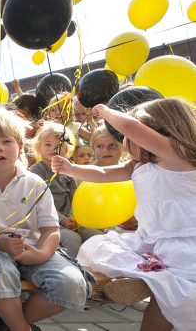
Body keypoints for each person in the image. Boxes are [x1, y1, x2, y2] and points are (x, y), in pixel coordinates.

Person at [52, 98, 196, 331]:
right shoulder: (138, 166)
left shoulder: (178, 156)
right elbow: (102, 172)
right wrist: (72, 169)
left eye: (128, 138)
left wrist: (106, 112)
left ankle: (149, 280)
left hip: (185, 243)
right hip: (151, 240)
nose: (126, 141)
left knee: (173, 297)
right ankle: (147, 279)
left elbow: (132, 127)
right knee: (160, 295)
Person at [0, 107, 91, 331]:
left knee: (71, 284)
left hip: (33, 247)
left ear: (20, 146)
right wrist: (0, 242)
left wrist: (42, 253)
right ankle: (22, 328)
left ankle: (7, 324)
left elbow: (50, 229)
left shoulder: (34, 183)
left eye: (7, 141)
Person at [29, 122, 102, 258]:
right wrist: (62, 219)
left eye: (59, 145)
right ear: (39, 147)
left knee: (98, 236)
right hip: (47, 221)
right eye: (48, 144)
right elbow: (39, 203)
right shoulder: (37, 171)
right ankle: (70, 267)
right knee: (72, 239)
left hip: (71, 218)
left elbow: (75, 194)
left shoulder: (67, 168)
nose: (54, 149)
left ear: (67, 148)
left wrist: (76, 215)